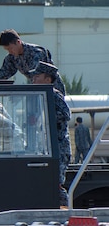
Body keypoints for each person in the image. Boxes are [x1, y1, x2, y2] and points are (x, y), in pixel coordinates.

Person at [29, 61, 71, 206]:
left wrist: (46, 117)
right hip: (47, 148)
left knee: (55, 184)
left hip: (59, 147)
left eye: (37, 76)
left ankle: (64, 210)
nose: (33, 80)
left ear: (48, 80)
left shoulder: (54, 95)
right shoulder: (40, 96)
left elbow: (65, 114)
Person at [0, 29, 66, 95]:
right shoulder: (12, 57)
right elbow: (2, 76)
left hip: (53, 89)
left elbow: (37, 76)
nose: (10, 52)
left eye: (11, 48)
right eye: (7, 50)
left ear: (18, 42)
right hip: (36, 90)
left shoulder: (36, 53)